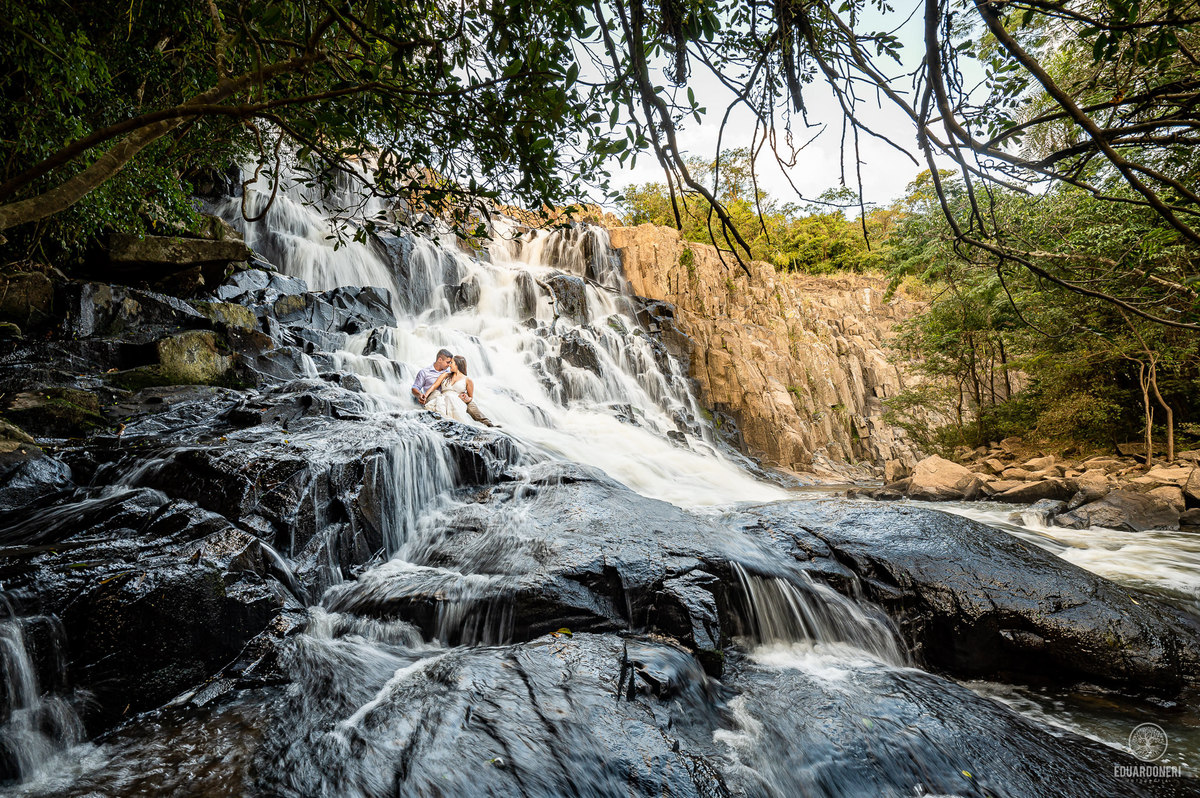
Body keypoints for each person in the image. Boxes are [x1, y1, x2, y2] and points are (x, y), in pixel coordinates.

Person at [423, 355, 496, 427]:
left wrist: (466, 398)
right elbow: (434, 386)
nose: (449, 365)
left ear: (458, 365)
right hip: (443, 398)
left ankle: (487, 424)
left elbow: (470, 397)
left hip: (457, 400)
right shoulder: (445, 375)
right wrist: (425, 395)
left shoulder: (467, 380)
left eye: (451, 363)